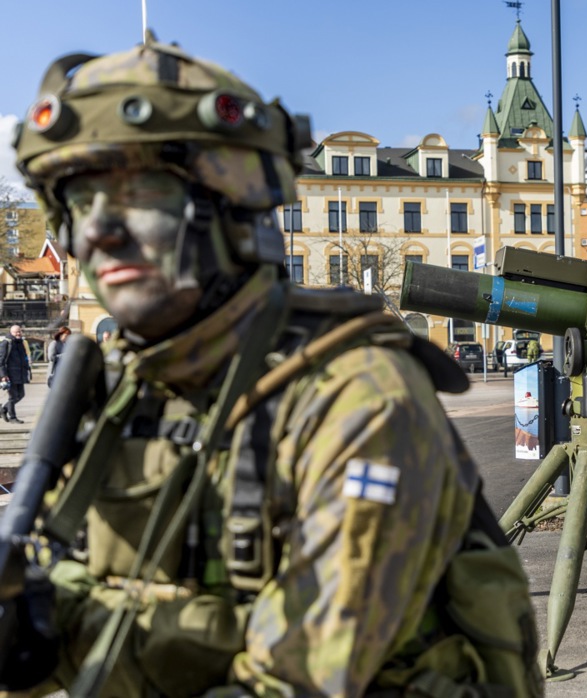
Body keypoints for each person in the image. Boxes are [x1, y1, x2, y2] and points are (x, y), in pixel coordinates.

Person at [3, 34, 541, 697]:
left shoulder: (357, 394)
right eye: (82, 203)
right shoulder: (122, 386)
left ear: (230, 209)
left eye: (140, 198)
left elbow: (299, 677)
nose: (99, 233)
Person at [0, 324, 31, 424]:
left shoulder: (21, 342)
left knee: (21, 395)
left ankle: (3, 409)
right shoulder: (6, 343)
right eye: (16, 332)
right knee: (13, 397)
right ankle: (12, 417)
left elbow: (24, 358)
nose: (18, 333)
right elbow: (1, 361)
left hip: (20, 374)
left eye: (19, 331)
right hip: (10, 374)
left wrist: (27, 370)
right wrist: (3, 375)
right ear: (11, 332)